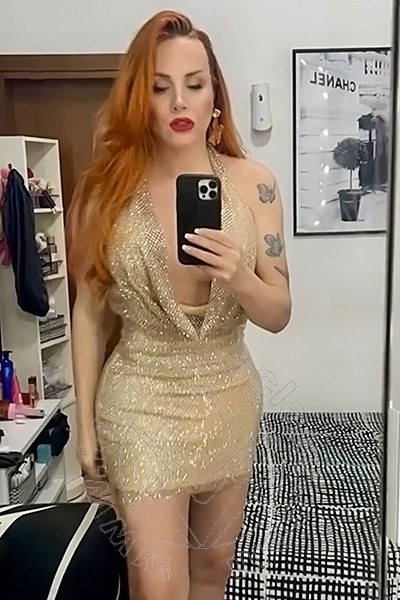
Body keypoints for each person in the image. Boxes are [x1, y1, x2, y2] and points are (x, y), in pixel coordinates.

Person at [66, 9, 291, 600]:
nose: (179, 102)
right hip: (141, 399)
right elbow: (88, 316)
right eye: (160, 87)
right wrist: (84, 432)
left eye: (194, 83)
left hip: (228, 394)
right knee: (159, 582)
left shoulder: (256, 185)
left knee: (213, 568)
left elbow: (278, 312)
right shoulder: (103, 191)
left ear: (216, 94)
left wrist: (240, 277)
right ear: (140, 99)